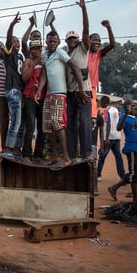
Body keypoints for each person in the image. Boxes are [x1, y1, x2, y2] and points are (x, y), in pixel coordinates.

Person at [37, 31, 88, 169]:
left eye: (54, 41)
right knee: (48, 127)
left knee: (58, 125)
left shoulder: (60, 53)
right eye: (49, 41)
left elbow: (76, 68)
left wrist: (81, 90)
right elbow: (44, 76)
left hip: (60, 94)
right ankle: (55, 155)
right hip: (49, 94)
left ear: (58, 42)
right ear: (46, 42)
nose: (52, 43)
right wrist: (38, 91)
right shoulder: (45, 55)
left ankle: (66, 157)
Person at [64, 0, 93, 161]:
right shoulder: (66, 53)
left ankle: (87, 153)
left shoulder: (83, 48)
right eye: (70, 39)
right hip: (70, 92)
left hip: (85, 91)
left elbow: (86, 31)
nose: (73, 40)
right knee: (71, 125)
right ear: (67, 41)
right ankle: (72, 153)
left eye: (75, 38)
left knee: (85, 123)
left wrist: (84, 9)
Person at [107, 100, 137, 203]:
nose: (134, 108)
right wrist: (125, 116)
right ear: (126, 108)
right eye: (132, 107)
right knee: (133, 172)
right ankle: (131, 195)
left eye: (135, 107)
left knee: (136, 172)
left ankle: (118, 189)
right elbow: (118, 128)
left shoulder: (135, 118)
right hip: (131, 148)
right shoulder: (124, 117)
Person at [0, 13, 25, 159]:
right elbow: (8, 40)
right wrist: (12, 25)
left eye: (18, 42)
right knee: (15, 121)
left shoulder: (21, 56)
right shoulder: (9, 54)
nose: (16, 43)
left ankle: (16, 148)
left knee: (20, 122)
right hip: (12, 90)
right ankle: (8, 148)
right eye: (14, 42)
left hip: (19, 91)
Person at [21, 38, 45, 161]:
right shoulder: (28, 62)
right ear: (31, 50)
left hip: (42, 98)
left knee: (42, 127)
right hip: (29, 97)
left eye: (40, 48)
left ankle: (38, 154)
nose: (38, 50)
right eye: (35, 49)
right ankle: (26, 154)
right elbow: (24, 77)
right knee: (30, 126)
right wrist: (35, 63)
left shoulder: (45, 62)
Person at [87, 19, 116, 122]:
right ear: (88, 41)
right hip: (81, 87)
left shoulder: (99, 53)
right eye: (94, 40)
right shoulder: (84, 52)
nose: (97, 42)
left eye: (99, 40)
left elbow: (112, 45)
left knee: (91, 116)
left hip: (92, 88)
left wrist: (108, 28)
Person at [97, 96, 126, 181]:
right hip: (117, 136)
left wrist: (107, 138)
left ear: (104, 102)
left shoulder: (106, 110)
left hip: (109, 137)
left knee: (102, 155)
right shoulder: (115, 110)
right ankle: (122, 175)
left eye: (100, 102)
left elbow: (108, 124)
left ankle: (98, 174)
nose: (100, 104)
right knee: (118, 156)